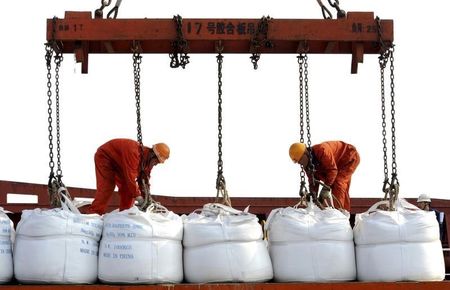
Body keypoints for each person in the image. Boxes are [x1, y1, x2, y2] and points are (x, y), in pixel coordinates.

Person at [88, 138, 170, 215]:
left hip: (119, 162)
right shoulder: (134, 153)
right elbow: (130, 178)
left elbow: (144, 180)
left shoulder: (147, 163)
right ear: (153, 155)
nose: (156, 164)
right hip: (106, 156)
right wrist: (139, 197)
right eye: (157, 161)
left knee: (128, 190)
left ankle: (125, 215)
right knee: (107, 187)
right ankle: (94, 214)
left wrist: (146, 197)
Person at [289, 141, 360, 211]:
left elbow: (332, 170)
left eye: (300, 160)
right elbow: (313, 181)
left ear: (305, 153)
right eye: (298, 162)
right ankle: (345, 214)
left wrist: (325, 189)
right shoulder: (307, 165)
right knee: (341, 188)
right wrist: (313, 196)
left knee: (338, 183)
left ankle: (339, 213)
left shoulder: (322, 150)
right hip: (335, 164)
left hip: (348, 157)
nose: (300, 163)